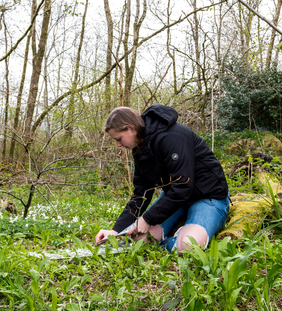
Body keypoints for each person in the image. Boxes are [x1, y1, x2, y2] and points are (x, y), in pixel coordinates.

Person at [95, 104, 230, 253]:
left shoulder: (173, 136)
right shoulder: (139, 149)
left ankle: (181, 239)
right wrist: (116, 231)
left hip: (208, 197)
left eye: (119, 139)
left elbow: (183, 186)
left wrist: (147, 219)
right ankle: (174, 240)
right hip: (175, 200)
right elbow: (141, 193)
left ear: (131, 128)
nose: (118, 144)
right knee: (138, 241)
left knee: (189, 246)